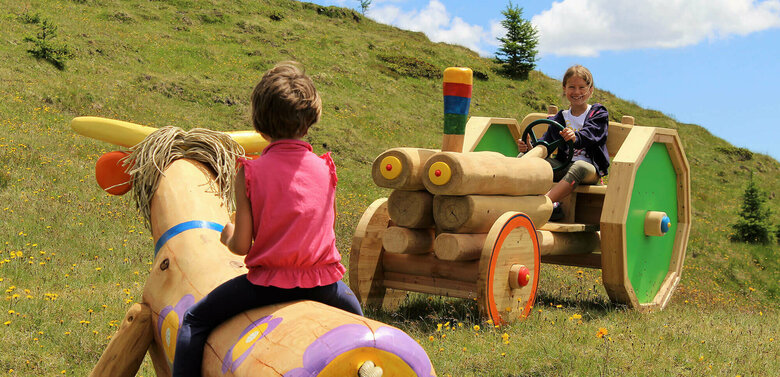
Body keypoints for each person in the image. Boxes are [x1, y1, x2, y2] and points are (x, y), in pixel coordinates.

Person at [172, 62, 363, 377]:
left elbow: (241, 246)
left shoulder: (250, 172)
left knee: (194, 321)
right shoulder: (326, 168)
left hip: (268, 285)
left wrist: (228, 233)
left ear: (259, 123)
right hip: (324, 285)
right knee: (364, 327)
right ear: (311, 119)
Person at [517, 65, 609, 220]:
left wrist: (576, 137)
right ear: (565, 88)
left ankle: (545, 204)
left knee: (578, 166)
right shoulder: (561, 117)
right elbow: (546, 142)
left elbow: (592, 134)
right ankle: (518, 198)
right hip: (564, 165)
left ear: (590, 90)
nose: (577, 92)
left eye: (582, 87)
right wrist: (530, 148)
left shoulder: (597, 113)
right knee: (525, 159)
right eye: (572, 87)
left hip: (590, 169)